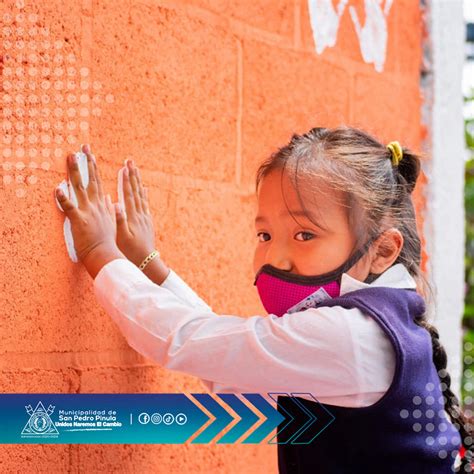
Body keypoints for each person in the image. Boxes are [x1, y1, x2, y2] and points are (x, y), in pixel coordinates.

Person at [54, 127, 473, 473]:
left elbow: (185, 341)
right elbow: (227, 356)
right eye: (264, 235)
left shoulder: (349, 337)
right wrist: (148, 264)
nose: (276, 257)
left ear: (381, 250)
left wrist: (99, 252)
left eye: (304, 235)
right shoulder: (374, 327)